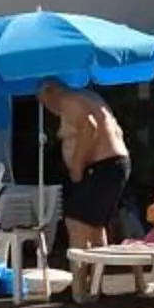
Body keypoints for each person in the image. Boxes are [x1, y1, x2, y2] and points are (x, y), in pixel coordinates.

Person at [39, 80, 132, 256]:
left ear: (50, 91)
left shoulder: (67, 100)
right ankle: (97, 281)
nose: (47, 108)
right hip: (114, 164)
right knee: (95, 226)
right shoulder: (89, 97)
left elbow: (90, 126)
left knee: (75, 222)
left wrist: (77, 165)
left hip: (102, 166)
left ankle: (79, 280)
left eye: (44, 101)